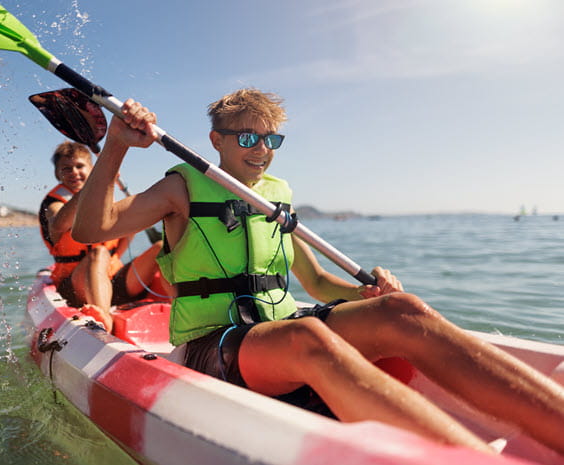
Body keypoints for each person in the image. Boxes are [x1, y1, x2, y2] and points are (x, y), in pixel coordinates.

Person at [72, 89, 564, 455]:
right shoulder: (181, 186)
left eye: (271, 140)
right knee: (308, 335)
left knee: (403, 311)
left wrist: (366, 294)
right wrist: (115, 144)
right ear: (215, 140)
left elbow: (318, 285)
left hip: (278, 328)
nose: (261, 149)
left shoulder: (276, 194)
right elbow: (94, 229)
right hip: (211, 344)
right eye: (248, 137)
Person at [39, 141, 163, 333]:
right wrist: (97, 182)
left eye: (79, 166)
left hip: (114, 281)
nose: (73, 172)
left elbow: (126, 235)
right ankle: (103, 317)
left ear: (91, 168)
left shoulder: (107, 200)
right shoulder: (53, 205)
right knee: (99, 252)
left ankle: (184, 308)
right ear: (58, 174)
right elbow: (59, 223)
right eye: (66, 168)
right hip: (75, 286)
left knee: (162, 247)